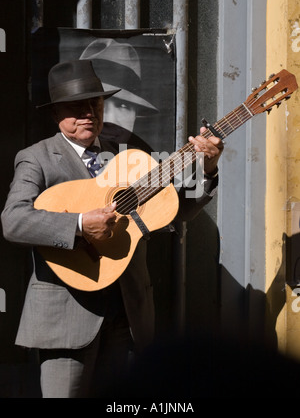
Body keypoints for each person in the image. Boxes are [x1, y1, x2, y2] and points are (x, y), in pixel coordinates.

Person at [1, 59, 223, 398]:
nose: (88, 113)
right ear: (54, 114)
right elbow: (13, 221)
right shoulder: (37, 157)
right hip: (66, 317)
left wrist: (207, 168)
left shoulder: (127, 156)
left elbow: (173, 211)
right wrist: (78, 224)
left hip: (128, 314)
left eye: (95, 103)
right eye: (76, 107)